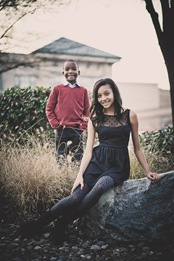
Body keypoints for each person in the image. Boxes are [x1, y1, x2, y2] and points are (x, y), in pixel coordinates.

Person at [20, 78, 160, 242]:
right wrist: (79, 175)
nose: (103, 99)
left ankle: (62, 225)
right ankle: (38, 224)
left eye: (106, 93)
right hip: (96, 163)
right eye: (99, 96)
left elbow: (137, 147)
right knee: (75, 197)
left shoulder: (130, 115)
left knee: (100, 186)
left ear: (114, 92)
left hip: (118, 167)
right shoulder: (95, 118)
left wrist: (148, 171)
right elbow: (88, 150)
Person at [46, 59, 90, 164]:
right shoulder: (57, 89)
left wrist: (83, 125)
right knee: (60, 155)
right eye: (67, 69)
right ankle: (62, 176)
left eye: (74, 69)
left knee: (78, 156)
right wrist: (56, 124)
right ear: (63, 72)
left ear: (78, 72)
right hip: (61, 129)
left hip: (77, 129)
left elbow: (87, 111)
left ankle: (76, 176)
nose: (70, 71)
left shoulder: (83, 91)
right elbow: (49, 109)